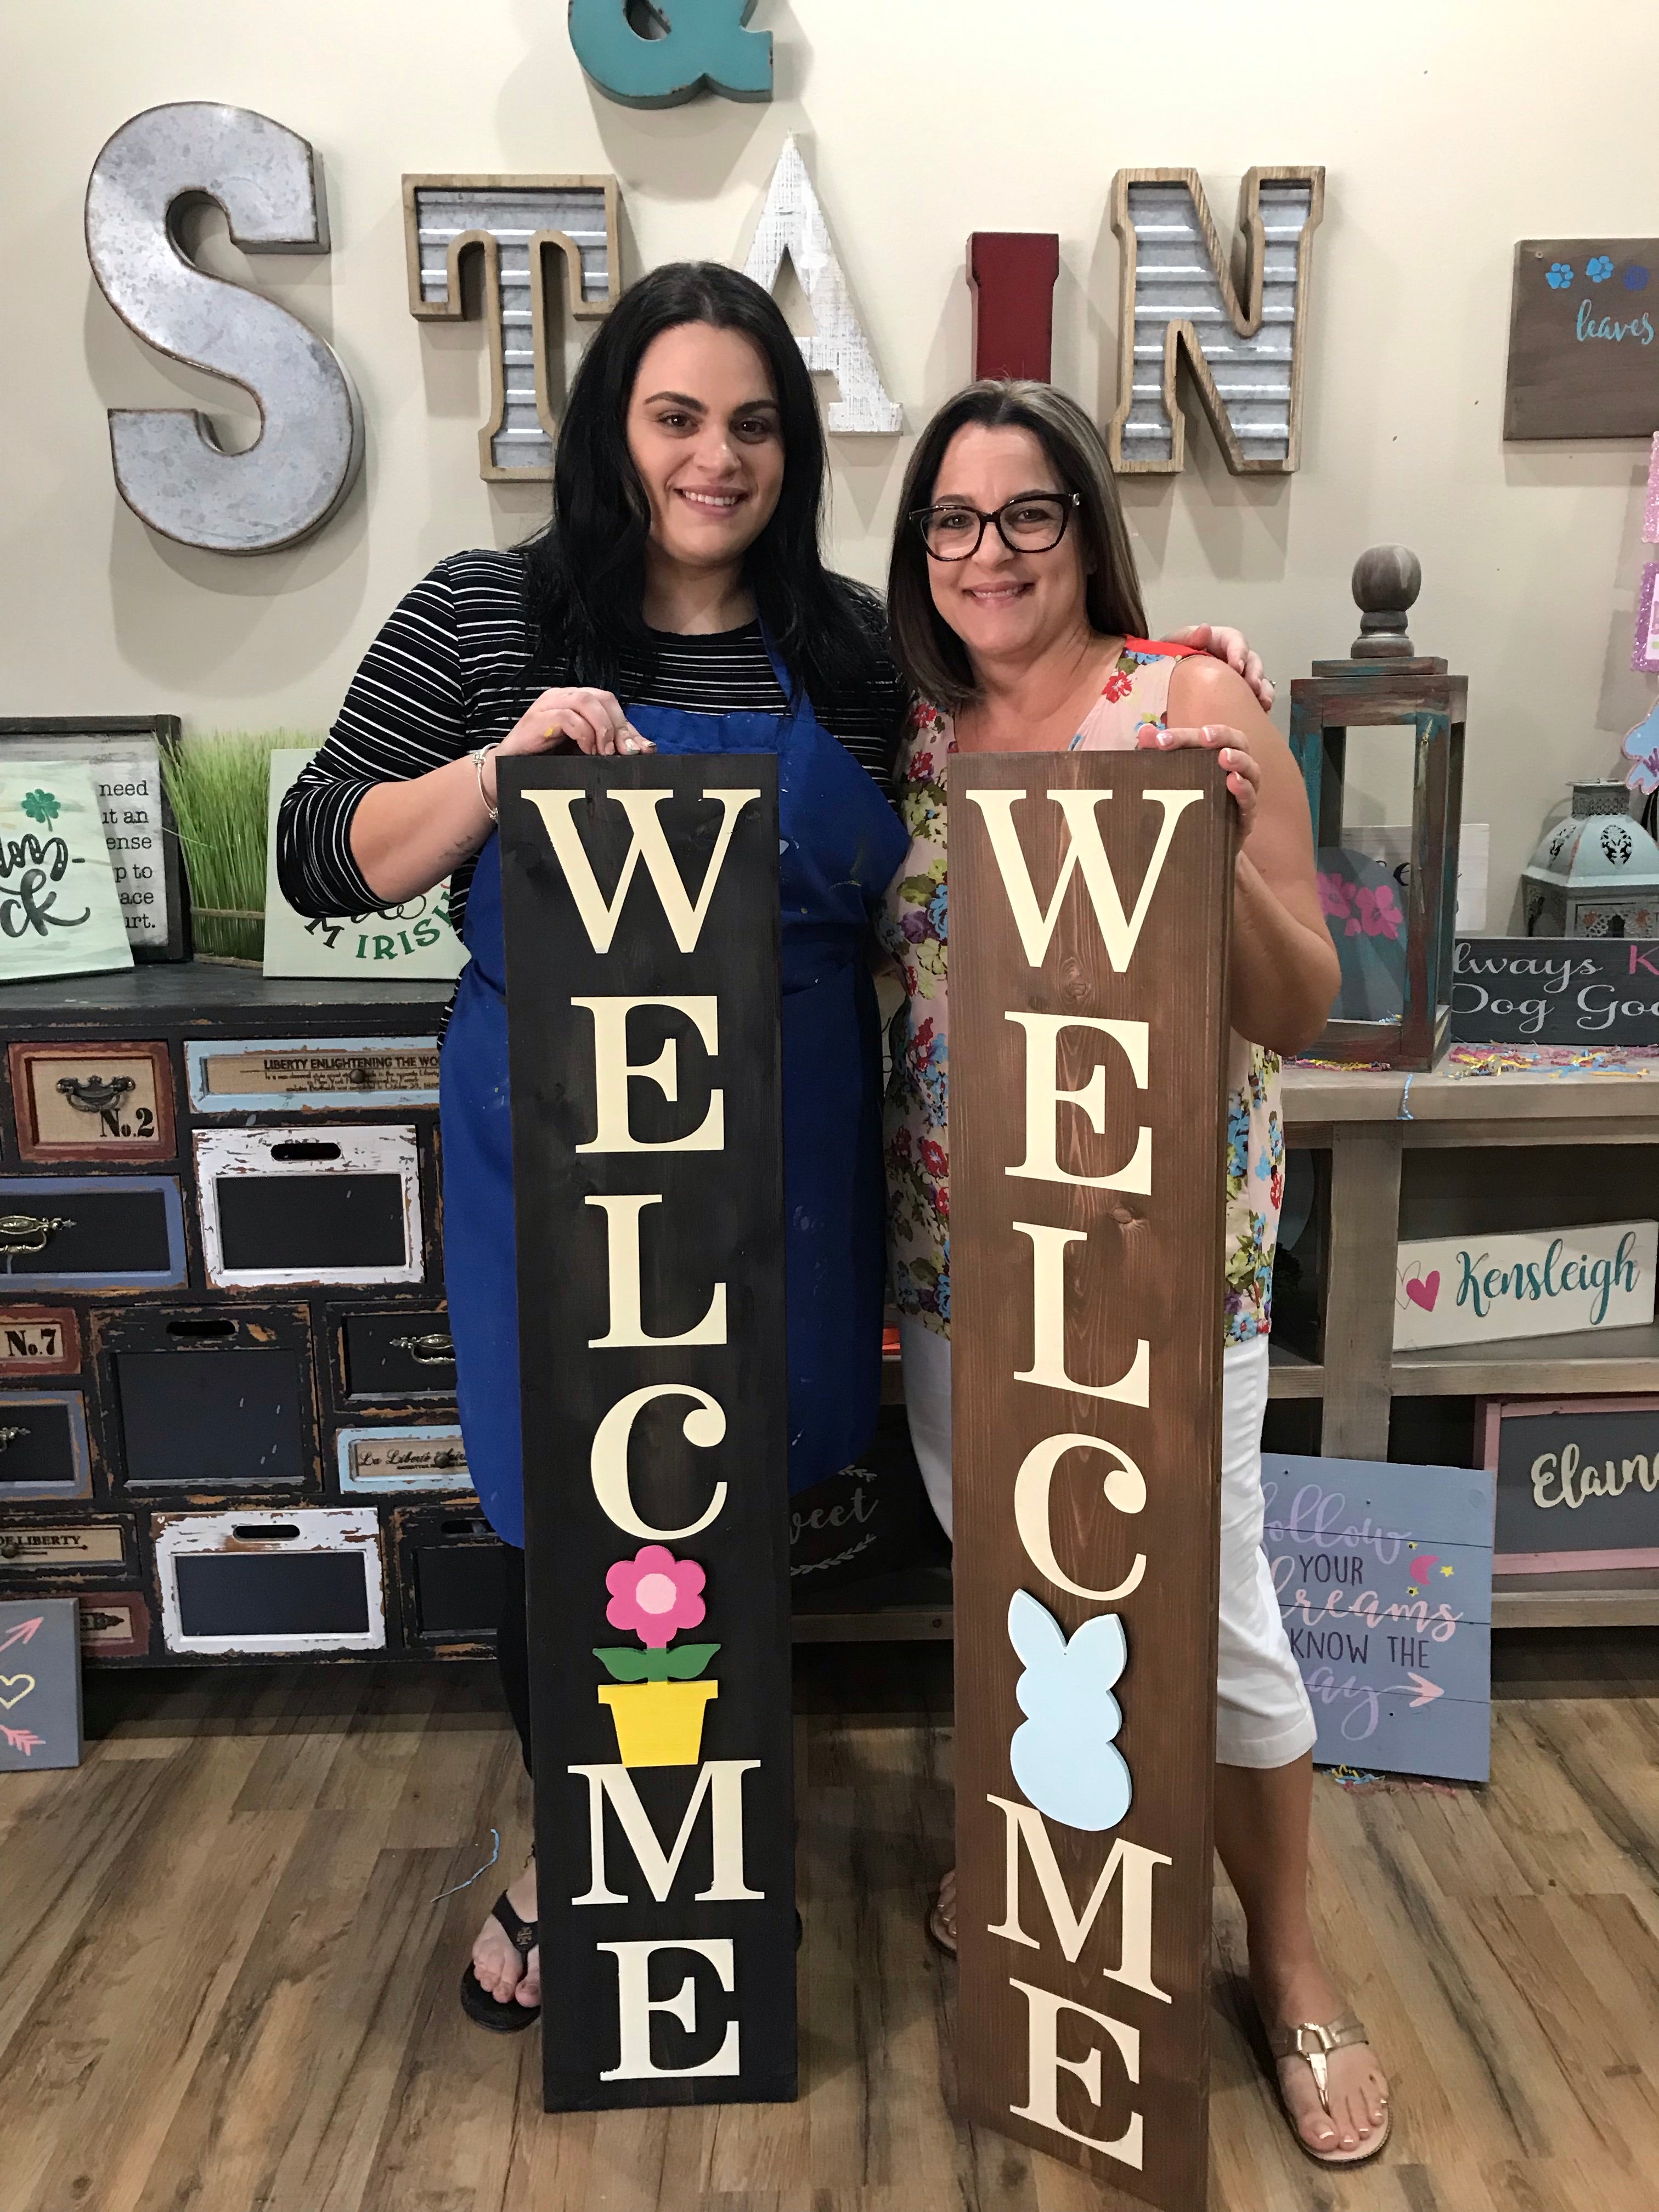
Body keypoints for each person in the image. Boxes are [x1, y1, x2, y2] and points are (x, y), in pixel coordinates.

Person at [278, 267, 1264, 2038]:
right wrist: (499, 773)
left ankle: (712, 1846)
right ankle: (579, 1852)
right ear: (614, 430)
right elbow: (320, 850)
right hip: (555, 1161)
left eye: (752, 425)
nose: (714, 459)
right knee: (572, 1510)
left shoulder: (850, 647)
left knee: (725, 1516)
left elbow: (1028, 730)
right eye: (676, 417)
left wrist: (1189, 671)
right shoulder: (489, 615)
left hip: (788, 1158)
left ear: (794, 451)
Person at [877, 379, 1391, 2168]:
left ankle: (1289, 1959)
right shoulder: (915, 733)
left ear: (1087, 526)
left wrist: (1206, 845)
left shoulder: (1190, 697)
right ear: (920, 547)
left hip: (1163, 1272)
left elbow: (1305, 1003)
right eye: (954, 518)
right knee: (1019, 1587)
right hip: (963, 1264)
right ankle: (1051, 1864)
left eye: (1028, 513)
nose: (990, 551)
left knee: (1216, 1618)